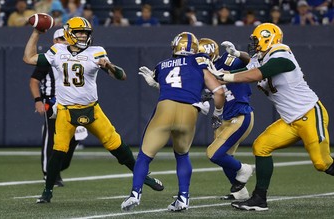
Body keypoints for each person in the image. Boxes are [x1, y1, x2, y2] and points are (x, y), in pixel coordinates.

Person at [23, 17, 164, 203]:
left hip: (91, 109)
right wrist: (36, 33)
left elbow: (121, 76)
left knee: (117, 145)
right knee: (58, 151)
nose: (82, 35)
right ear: (69, 33)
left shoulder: (96, 52)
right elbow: (28, 58)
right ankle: (47, 191)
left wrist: (109, 66)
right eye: (79, 32)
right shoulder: (57, 50)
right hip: (65, 111)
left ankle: (143, 176)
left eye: (85, 33)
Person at [209, 23, 333, 211]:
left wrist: (225, 76)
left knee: (322, 163)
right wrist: (230, 63)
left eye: (257, 41)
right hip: (290, 121)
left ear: (269, 38)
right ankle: (259, 199)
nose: (255, 45)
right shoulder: (263, 57)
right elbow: (249, 65)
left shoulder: (281, 54)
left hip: (308, 114)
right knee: (261, 147)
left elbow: (256, 74)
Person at [121, 32, 225, 211]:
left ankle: (135, 194)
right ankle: (183, 199)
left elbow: (172, 86)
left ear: (175, 46)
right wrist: (217, 113)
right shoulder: (199, 60)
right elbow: (219, 91)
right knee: (182, 155)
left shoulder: (162, 65)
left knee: (144, 156)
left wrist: (155, 84)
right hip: (189, 112)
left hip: (165, 109)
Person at [29, 28, 88, 187]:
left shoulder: (77, 57)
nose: (65, 40)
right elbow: (34, 80)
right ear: (55, 41)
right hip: (53, 103)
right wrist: (38, 100)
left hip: (72, 104)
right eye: (61, 38)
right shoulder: (50, 58)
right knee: (51, 138)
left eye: (66, 37)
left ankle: (58, 168)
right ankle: (50, 174)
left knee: (74, 138)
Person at [198, 38, 255, 200]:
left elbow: (252, 64)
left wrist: (237, 53)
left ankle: (244, 169)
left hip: (241, 114)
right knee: (224, 157)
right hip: (225, 119)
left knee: (214, 153)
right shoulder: (203, 71)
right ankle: (240, 193)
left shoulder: (227, 60)